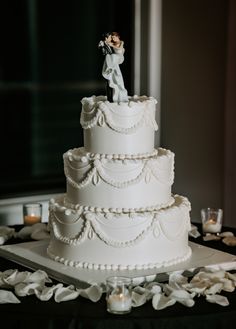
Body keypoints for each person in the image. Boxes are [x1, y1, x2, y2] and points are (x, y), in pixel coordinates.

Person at [98, 32, 128, 103]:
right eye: (112, 38)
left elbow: (119, 48)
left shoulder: (121, 42)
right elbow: (106, 44)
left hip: (119, 57)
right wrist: (104, 43)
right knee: (110, 57)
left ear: (118, 36)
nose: (113, 39)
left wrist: (111, 45)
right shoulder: (112, 43)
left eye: (114, 37)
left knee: (112, 56)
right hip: (115, 58)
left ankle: (110, 68)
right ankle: (110, 70)